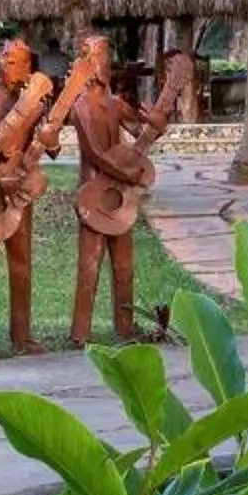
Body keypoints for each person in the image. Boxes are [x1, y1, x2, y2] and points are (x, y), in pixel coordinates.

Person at [62, 31, 175, 346]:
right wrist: (126, 175)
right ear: (86, 63)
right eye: (99, 57)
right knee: (90, 265)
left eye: (107, 56)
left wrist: (156, 124)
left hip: (120, 198)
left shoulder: (116, 104)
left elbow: (141, 131)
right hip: (94, 196)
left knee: (124, 265)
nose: (105, 63)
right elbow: (95, 153)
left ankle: (124, 328)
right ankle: (80, 333)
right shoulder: (81, 107)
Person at [0, 35, 52, 355]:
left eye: (14, 62)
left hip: (19, 192)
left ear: (28, 68)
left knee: (21, 262)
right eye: (4, 60)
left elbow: (50, 145)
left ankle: (22, 334)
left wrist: (49, 131)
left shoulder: (34, 105)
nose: (5, 66)